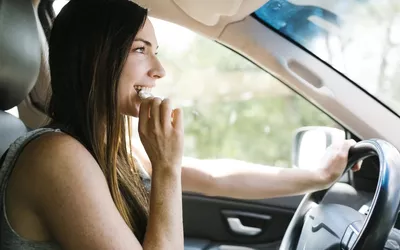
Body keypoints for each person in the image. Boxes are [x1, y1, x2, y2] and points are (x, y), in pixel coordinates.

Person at [0, 0, 362, 249]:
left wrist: (317, 176)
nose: (159, 71)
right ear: (95, 57)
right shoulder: (55, 155)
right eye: (141, 50)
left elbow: (213, 177)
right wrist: (167, 167)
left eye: (155, 51)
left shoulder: (110, 147)